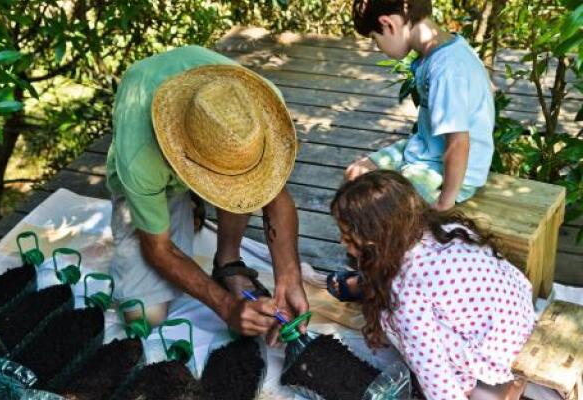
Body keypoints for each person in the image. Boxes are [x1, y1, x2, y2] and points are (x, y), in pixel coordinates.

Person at [106, 45, 308, 342]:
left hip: (205, 137)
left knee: (245, 185)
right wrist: (226, 307)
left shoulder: (261, 110)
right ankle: (184, 197)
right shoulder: (140, 159)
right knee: (144, 316)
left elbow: (275, 196)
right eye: (215, 179)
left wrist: (290, 277)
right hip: (153, 159)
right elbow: (158, 249)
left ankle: (228, 263)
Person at [329, 0, 495, 301]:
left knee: (380, 214)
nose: (378, 47)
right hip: (424, 148)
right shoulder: (434, 52)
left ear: (389, 24)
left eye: (375, 39)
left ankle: (377, 282)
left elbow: (459, 143)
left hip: (447, 169)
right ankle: (368, 266)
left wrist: (445, 201)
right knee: (356, 175)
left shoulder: (448, 68)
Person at [330, 171, 534, 400]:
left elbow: (430, 366)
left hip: (496, 352)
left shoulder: (404, 291)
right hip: (518, 316)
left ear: (379, 240)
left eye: (348, 238)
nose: (341, 242)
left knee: (395, 320)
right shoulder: (448, 230)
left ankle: (467, 382)